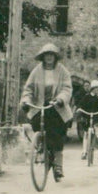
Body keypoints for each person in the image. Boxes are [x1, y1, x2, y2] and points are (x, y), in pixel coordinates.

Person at [20, 43, 73, 182]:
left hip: (57, 107)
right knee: (37, 125)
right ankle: (41, 149)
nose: (49, 57)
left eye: (51, 55)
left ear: (55, 57)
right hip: (39, 106)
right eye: (46, 55)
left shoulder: (62, 71)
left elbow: (67, 88)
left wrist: (60, 99)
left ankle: (58, 166)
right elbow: (28, 89)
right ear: (43, 57)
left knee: (58, 134)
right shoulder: (36, 71)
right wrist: (26, 100)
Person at [76, 79, 98, 159]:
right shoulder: (87, 97)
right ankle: (84, 152)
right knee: (86, 134)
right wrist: (79, 108)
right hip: (87, 116)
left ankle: (97, 136)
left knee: (97, 126)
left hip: (96, 117)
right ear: (93, 88)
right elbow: (81, 104)